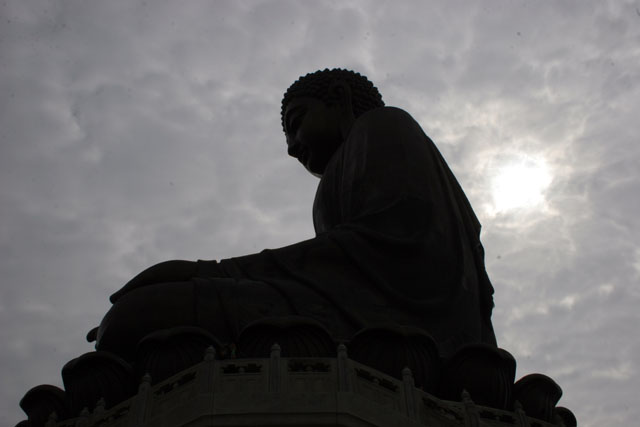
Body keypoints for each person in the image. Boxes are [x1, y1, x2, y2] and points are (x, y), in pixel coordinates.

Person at [94, 69, 496, 361]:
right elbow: (338, 271)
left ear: (338, 98)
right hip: (347, 309)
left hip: (409, 325)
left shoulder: (384, 126)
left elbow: (398, 247)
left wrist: (215, 271)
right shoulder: (335, 180)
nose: (291, 148)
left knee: (139, 316)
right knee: (135, 319)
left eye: (296, 123)